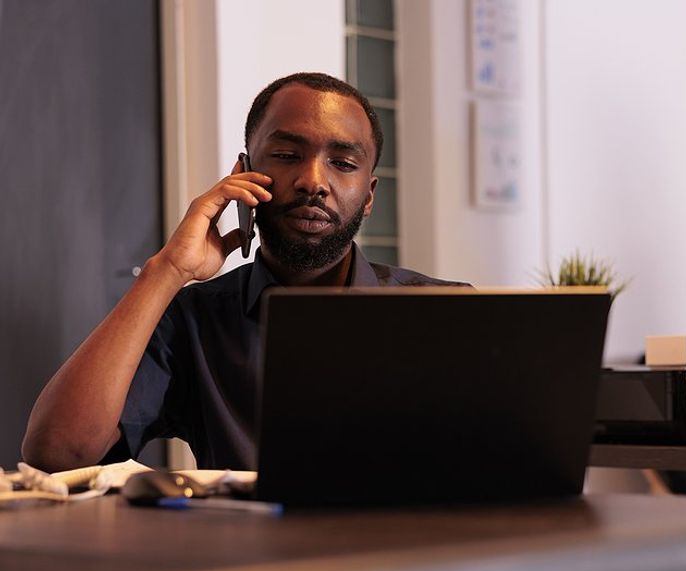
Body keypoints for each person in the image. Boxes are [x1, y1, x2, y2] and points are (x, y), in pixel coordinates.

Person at [21, 72, 466, 473]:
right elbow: (58, 452)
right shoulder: (193, 323)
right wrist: (167, 270)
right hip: (253, 561)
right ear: (245, 173)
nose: (313, 180)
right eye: (288, 154)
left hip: (402, 560)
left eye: (343, 164)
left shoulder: (448, 313)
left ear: (368, 195)